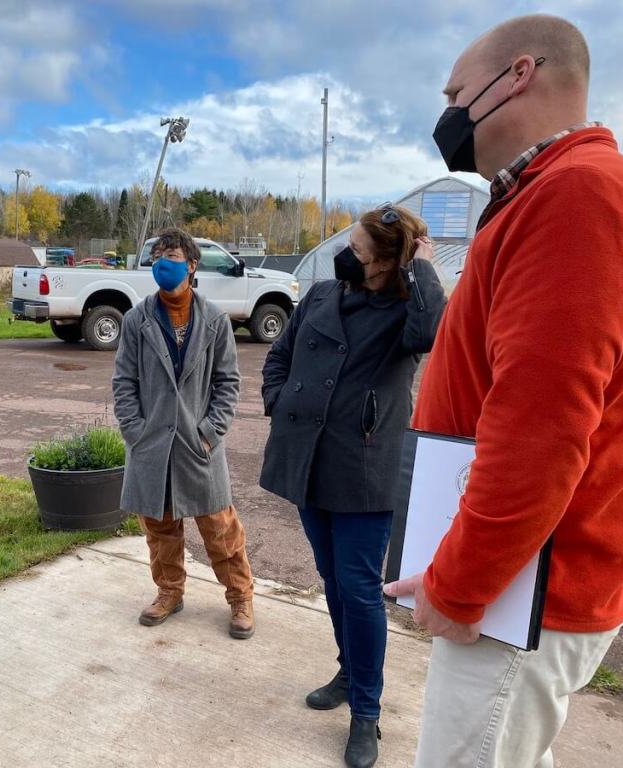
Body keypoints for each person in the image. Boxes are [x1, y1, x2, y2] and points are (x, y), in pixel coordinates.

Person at [382, 14, 623, 768]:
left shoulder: (579, 194)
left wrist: (463, 583)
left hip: (524, 588)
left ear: (518, 75)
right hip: (518, 580)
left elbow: (542, 428)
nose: (446, 112)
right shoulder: (549, 192)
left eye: (455, 93)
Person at [260, 205, 445, 767]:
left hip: (362, 464)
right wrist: (278, 401)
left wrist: (423, 267)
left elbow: (432, 332)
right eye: (350, 244)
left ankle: (367, 711)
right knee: (332, 579)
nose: (347, 256)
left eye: (360, 251)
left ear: (389, 261)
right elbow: (280, 354)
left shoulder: (405, 308)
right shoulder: (321, 294)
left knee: (360, 589)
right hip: (306, 457)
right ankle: (348, 671)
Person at [112, 227, 255, 639]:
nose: (163, 264)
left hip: (199, 444)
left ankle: (240, 597)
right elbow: (123, 382)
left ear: (192, 266)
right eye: (158, 256)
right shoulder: (137, 319)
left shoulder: (215, 321)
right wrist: (135, 432)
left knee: (220, 528)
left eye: (172, 257)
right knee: (160, 530)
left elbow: (228, 383)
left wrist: (210, 432)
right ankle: (169, 592)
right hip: (152, 445)